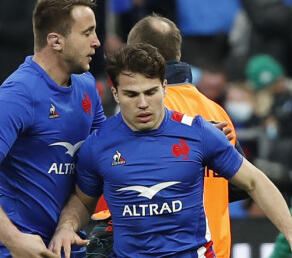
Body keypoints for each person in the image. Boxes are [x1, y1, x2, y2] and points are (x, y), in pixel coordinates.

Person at [49, 43, 292, 258]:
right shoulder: (98, 144)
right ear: (116, 94)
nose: (143, 103)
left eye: (151, 92)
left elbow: (255, 182)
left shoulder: (199, 133)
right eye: (132, 94)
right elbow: (82, 201)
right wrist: (66, 227)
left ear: (164, 87)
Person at [91, 14, 246, 258]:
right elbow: (240, 187)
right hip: (215, 250)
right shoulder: (216, 111)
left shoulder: (141, 112)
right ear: (180, 53)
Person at [0, 0, 106, 257]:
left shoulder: (87, 86)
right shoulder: (17, 96)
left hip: (67, 246)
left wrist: (183, 129)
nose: (97, 42)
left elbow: (105, 155)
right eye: (87, 33)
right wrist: (15, 240)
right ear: (55, 41)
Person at [228, 0, 292, 79]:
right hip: (244, 79)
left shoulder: (284, 11)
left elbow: (261, 22)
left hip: (272, 80)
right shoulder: (247, 10)